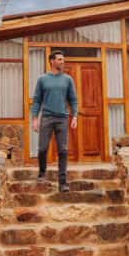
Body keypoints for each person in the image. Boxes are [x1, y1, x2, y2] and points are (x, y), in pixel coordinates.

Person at [31, 50, 78, 192]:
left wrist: (74, 116)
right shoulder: (42, 79)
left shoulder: (68, 79)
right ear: (52, 61)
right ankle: (41, 173)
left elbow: (73, 100)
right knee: (42, 148)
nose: (63, 62)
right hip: (46, 117)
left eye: (63, 60)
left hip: (62, 118)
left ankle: (63, 182)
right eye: (60, 59)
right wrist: (34, 119)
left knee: (63, 150)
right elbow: (37, 100)